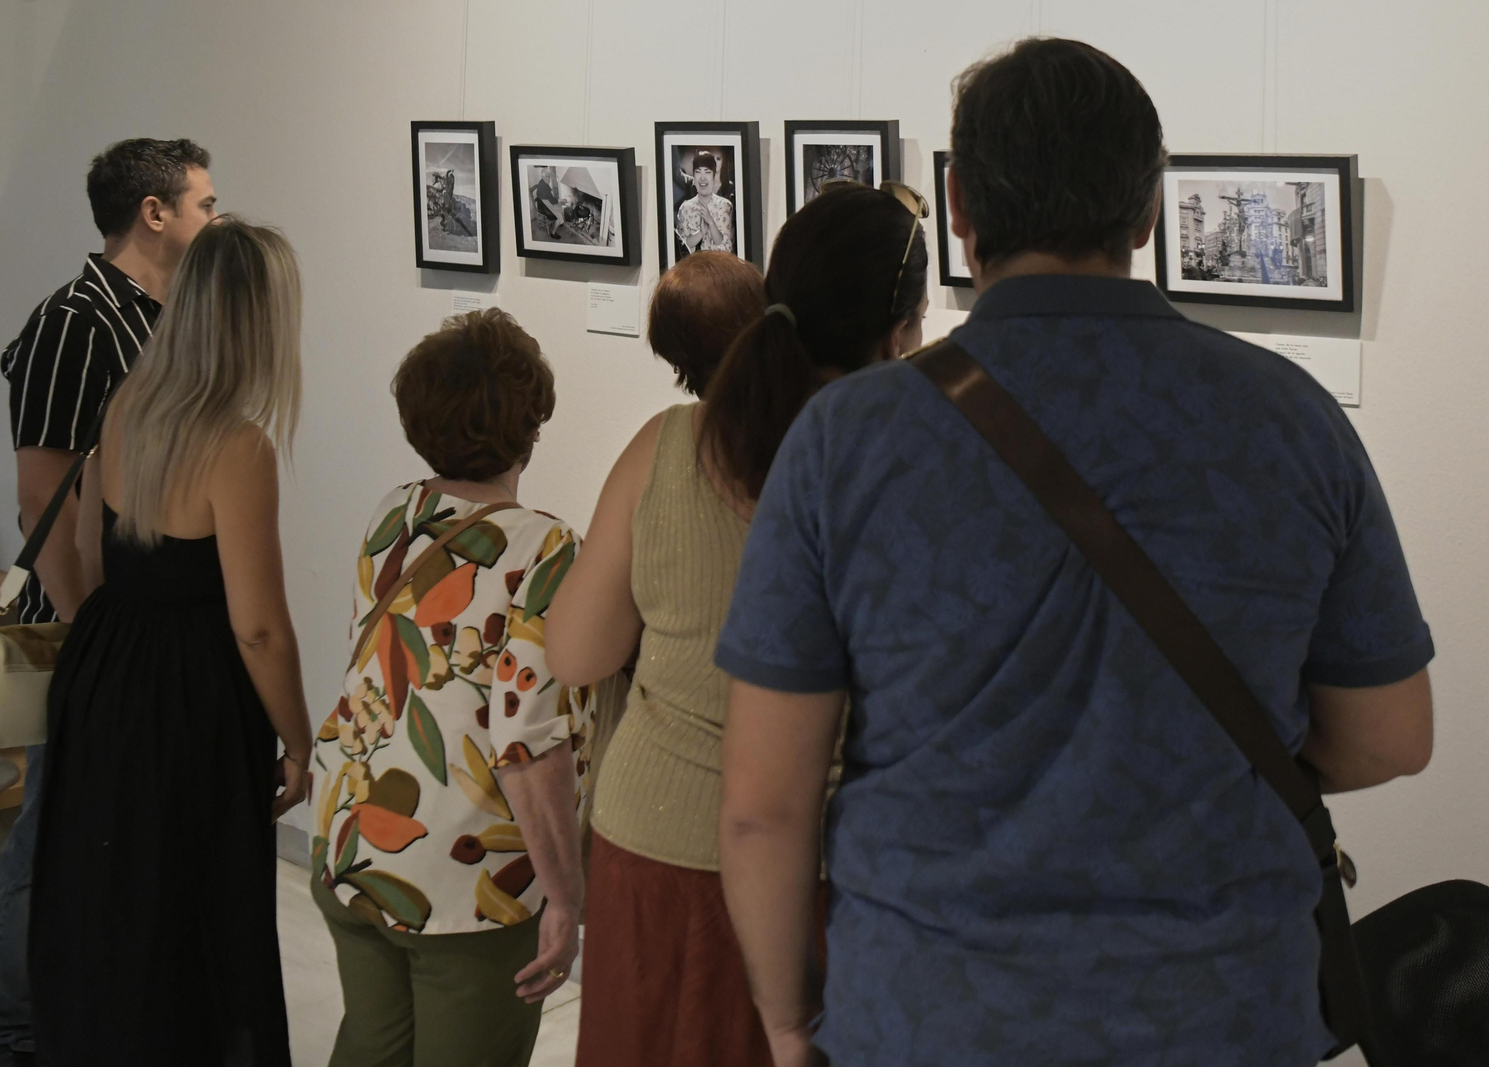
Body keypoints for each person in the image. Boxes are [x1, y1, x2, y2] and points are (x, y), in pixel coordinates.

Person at [715, 38, 1434, 1067]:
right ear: (1145, 211)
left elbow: (761, 805)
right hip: (1223, 1011)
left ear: (958, 208)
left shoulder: (845, 439)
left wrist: (787, 1023)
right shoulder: (1291, 418)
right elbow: (1390, 735)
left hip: (931, 1015)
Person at [546, 189, 928, 1067]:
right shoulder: (912, 465)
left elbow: (576, 650)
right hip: (831, 859)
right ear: (900, 331)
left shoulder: (669, 443)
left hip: (656, 838)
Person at [28, 217, 310, 1065]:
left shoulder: (127, 406)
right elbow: (258, 626)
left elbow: (85, 556)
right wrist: (300, 740)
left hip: (107, 670)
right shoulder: (238, 444)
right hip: (191, 700)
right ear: (259, 321)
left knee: (107, 898)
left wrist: (111, 660)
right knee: (195, 911)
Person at [0, 136, 215, 1067]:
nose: (213, 217)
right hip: (90, 625)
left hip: (139, 625)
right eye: (203, 202)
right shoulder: (75, 323)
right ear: (153, 214)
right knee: (48, 831)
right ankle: (11, 1035)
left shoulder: (165, 314)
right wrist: (92, 635)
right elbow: (42, 494)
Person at [311, 307, 594, 1067]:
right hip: (467, 882)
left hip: (352, 839)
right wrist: (565, 898)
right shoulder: (547, 546)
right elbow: (527, 737)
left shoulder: (393, 513)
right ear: (531, 420)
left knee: (372, 1047)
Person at [677, 150, 734, 255]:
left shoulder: (724, 206)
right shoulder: (685, 208)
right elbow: (682, 247)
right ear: (693, 176)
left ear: (713, 176)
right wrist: (701, 233)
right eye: (698, 172)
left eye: (707, 172)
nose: (702, 178)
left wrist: (711, 223)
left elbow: (726, 246)